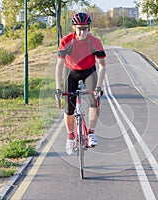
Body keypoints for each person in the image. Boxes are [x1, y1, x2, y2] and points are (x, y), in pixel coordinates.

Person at [55, 12, 106, 155]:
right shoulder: (66, 41)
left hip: (89, 71)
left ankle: (91, 133)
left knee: (94, 101)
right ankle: (70, 137)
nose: (82, 32)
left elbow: (102, 66)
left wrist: (99, 87)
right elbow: (59, 66)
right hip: (71, 72)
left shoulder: (94, 42)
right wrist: (58, 87)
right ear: (74, 28)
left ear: (89, 28)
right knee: (69, 107)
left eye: (85, 28)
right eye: (79, 28)